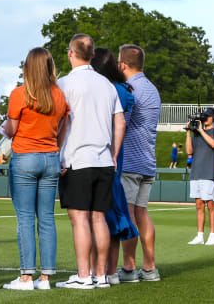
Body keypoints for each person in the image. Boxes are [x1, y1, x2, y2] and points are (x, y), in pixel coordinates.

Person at [55, 34, 125, 290]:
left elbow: (59, 122)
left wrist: (57, 153)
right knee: (99, 219)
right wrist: (114, 154)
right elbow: (120, 122)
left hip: (77, 160)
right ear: (93, 54)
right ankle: (101, 275)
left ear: (70, 53)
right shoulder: (107, 84)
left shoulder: (64, 83)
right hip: (104, 160)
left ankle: (84, 275)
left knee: (80, 219)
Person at [2, 47, 70, 291]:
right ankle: (46, 278)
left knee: (25, 219)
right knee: (47, 219)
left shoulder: (20, 94)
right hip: (50, 157)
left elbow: (10, 130)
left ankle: (26, 277)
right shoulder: (59, 96)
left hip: (25, 158)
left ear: (28, 68)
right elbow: (63, 127)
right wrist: (54, 148)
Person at [89, 47, 139, 285]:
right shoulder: (123, 90)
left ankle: (92, 271)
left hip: (96, 156)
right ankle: (110, 272)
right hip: (115, 161)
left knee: (94, 218)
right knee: (115, 218)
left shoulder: (99, 89)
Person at [116, 44, 162, 283]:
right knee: (143, 213)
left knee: (129, 213)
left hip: (131, 161)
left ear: (122, 64)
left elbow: (122, 123)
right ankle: (150, 267)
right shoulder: (152, 88)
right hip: (147, 159)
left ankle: (129, 266)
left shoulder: (131, 88)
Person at [185, 107, 214, 246]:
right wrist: (189, 133)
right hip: (196, 172)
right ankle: (200, 235)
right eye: (204, 116)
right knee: (199, 205)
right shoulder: (196, 134)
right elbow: (189, 151)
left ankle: (212, 235)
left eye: (207, 116)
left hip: (209, 172)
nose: (204, 119)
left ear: (213, 117)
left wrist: (201, 130)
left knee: (210, 204)